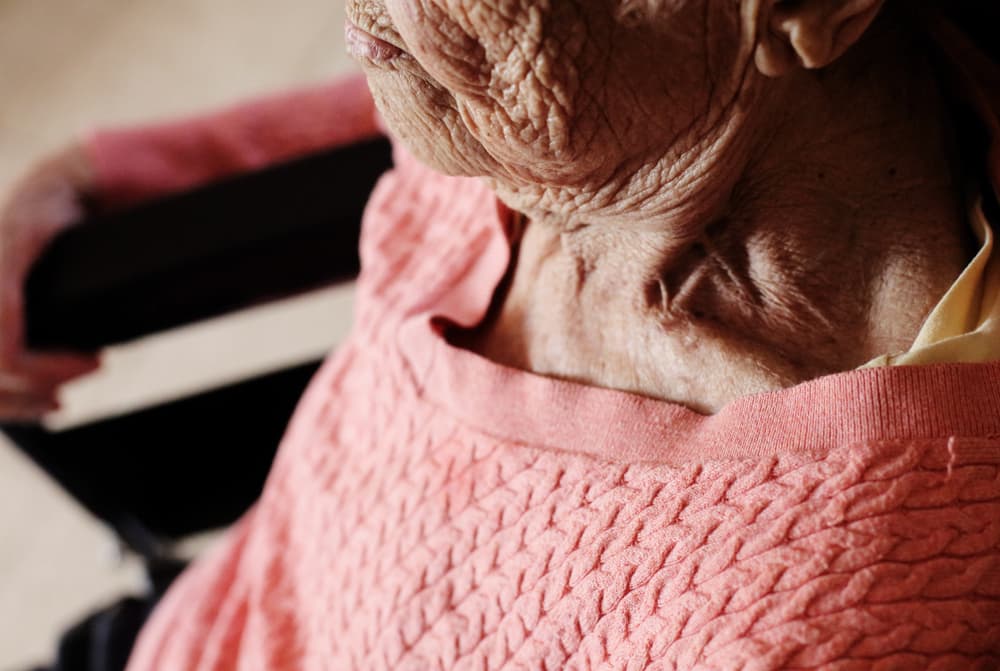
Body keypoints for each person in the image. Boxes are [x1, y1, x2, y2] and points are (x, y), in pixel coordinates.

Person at [2, 0, 999, 668]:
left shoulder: (829, 616)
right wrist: (99, 180)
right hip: (203, 618)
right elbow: (396, 74)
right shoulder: (564, 114)